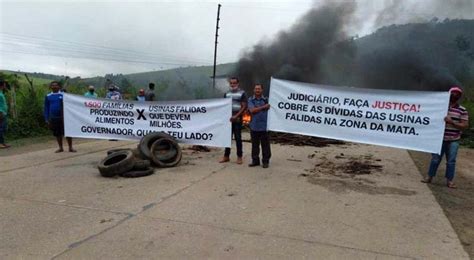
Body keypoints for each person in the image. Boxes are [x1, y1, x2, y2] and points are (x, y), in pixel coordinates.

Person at [422, 86, 469, 188]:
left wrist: (452, 122)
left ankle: (450, 181)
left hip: (454, 139)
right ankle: (429, 177)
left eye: (457, 94)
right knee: (435, 159)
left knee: (451, 161)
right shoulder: (440, 107)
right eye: (453, 93)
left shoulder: (462, 110)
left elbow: (465, 125)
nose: (455, 95)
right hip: (439, 139)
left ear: (460, 96)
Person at [220, 77, 247, 164]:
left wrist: (236, 116)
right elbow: (223, 106)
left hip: (238, 119)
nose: (232, 85)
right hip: (228, 119)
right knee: (227, 138)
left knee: (238, 138)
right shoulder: (226, 94)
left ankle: (239, 157)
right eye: (231, 83)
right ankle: (226, 156)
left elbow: (243, 106)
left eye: (234, 83)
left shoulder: (242, 93)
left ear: (238, 84)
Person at [44, 81, 76, 153]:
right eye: (52, 85)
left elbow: (70, 103)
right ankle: (60, 148)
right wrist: (46, 118)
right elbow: (46, 108)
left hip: (64, 118)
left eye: (56, 85)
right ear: (50, 87)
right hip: (53, 118)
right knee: (57, 134)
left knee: (68, 132)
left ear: (59, 87)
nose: (54, 87)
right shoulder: (48, 96)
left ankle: (70, 147)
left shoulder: (64, 95)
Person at [248, 84, 271, 168]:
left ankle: (265, 161)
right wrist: (264, 107)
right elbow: (252, 110)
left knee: (265, 145)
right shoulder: (250, 100)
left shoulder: (267, 100)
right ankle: (255, 161)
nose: (257, 90)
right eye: (256, 89)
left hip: (265, 126)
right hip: (254, 126)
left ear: (262, 90)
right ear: (254, 90)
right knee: (255, 145)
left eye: (259, 89)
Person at [0, 79, 10, 149]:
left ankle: (2, 142)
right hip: (1, 113)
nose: (5, 85)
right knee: (1, 128)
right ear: (2, 85)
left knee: (3, 128)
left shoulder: (1, 93)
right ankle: (1, 143)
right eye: (4, 84)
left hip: (4, 113)